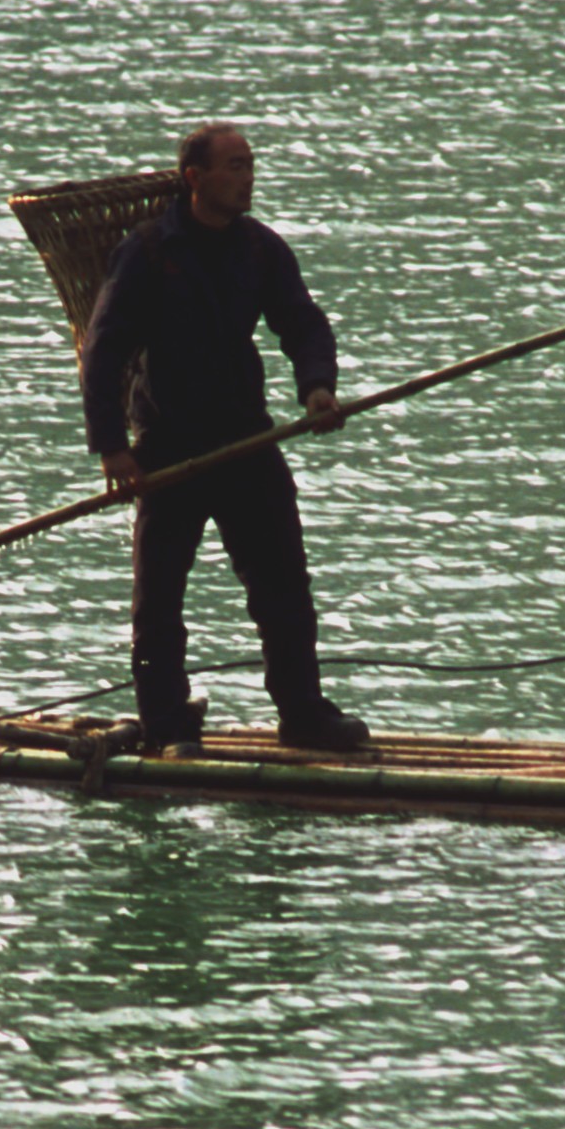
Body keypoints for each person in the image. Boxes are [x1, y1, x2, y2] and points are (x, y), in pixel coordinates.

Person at [78, 123, 372, 757]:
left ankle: (303, 715)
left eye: (251, 165)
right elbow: (103, 353)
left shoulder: (261, 250)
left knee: (284, 586)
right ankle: (165, 723)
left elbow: (301, 322)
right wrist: (112, 447)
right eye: (235, 166)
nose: (248, 177)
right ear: (195, 178)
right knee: (159, 599)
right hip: (167, 447)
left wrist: (317, 387)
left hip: (244, 439)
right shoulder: (149, 251)